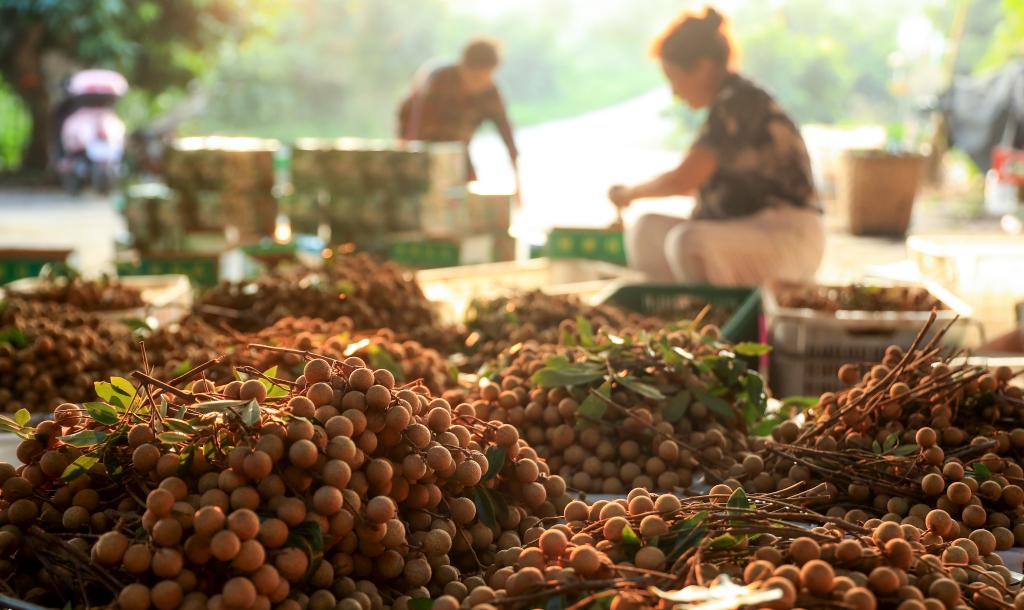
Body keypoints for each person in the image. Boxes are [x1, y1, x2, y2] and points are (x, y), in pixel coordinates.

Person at [608, 7, 824, 286]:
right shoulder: (725, 105)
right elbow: (690, 183)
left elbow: (686, 178)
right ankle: (676, 317)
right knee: (645, 232)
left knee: (688, 242)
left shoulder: (741, 102)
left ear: (703, 68)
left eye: (674, 78)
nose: (675, 91)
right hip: (748, 231)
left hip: (788, 237)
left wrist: (629, 193)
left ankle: (716, 319)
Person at [398, 38, 518, 182]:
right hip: (424, 142)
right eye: (474, 77)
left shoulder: (490, 92)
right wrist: (409, 162)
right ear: (461, 66)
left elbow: (507, 135)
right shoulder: (439, 80)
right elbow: (416, 130)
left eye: (485, 77)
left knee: (469, 184)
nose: (478, 84)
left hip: (459, 148)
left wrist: (518, 185)